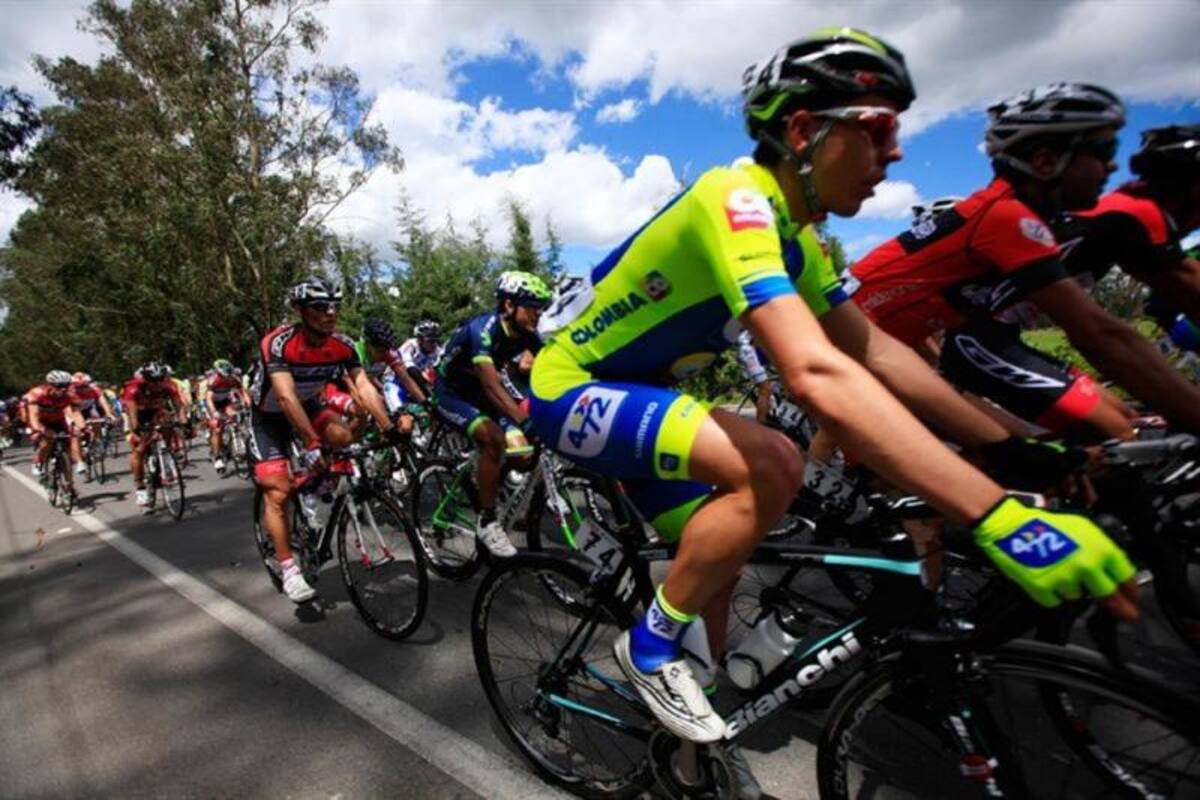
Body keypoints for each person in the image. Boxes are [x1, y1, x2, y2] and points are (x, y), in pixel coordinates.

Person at [527, 29, 1138, 750]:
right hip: (573, 385)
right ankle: (649, 647)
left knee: (717, 558)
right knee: (774, 461)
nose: (895, 152)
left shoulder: (800, 242)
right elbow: (815, 369)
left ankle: (684, 745)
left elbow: (876, 351)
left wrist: (1007, 451)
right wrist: (996, 513)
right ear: (802, 131)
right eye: (878, 129)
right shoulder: (736, 197)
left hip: (640, 390)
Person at [851, 85, 1200, 437]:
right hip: (890, 347)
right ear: (1045, 162)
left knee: (1119, 425)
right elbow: (1098, 333)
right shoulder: (1009, 219)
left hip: (907, 345)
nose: (1113, 165)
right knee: (1115, 434)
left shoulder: (1022, 216)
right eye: (1103, 151)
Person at [249, 277, 403, 603]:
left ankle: (315, 485)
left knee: (343, 436)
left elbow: (364, 387)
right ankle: (289, 569)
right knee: (278, 490)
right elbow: (285, 396)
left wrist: (389, 426)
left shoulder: (342, 345)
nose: (330, 313)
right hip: (270, 415)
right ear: (300, 310)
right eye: (320, 307)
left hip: (307, 404)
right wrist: (311, 442)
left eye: (335, 306)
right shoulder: (278, 343)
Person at [432, 271, 549, 557]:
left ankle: (489, 483)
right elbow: (491, 384)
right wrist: (524, 421)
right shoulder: (482, 330)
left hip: (480, 395)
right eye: (533, 306)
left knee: (523, 455)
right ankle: (487, 520)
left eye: (541, 307)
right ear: (509, 305)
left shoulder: (527, 335)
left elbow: (553, 367)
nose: (539, 313)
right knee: (493, 438)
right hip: (451, 393)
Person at [123, 361, 189, 506]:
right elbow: (132, 415)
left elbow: (179, 406)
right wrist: (137, 430)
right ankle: (140, 487)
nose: (158, 384)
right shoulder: (133, 389)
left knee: (167, 420)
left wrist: (185, 423)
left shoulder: (168, 386)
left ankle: (166, 453)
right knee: (139, 449)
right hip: (137, 413)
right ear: (146, 379)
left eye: (160, 380)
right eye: (153, 381)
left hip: (156, 411)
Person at [27, 370, 86, 480]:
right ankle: (38, 462)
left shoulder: (69, 395)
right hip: (41, 421)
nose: (63, 389)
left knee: (74, 434)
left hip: (58, 420)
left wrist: (82, 427)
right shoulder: (37, 394)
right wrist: (38, 430)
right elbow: (33, 415)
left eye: (66, 386)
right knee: (48, 440)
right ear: (49, 385)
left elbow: (76, 413)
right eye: (59, 386)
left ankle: (75, 469)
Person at [203, 359, 250, 472]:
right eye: (225, 375)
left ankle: (236, 438)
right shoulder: (213, 380)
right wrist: (214, 412)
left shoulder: (233, 378)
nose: (227, 378)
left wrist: (247, 403)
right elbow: (209, 399)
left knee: (233, 416)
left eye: (229, 374)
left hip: (225, 401)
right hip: (213, 403)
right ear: (218, 373)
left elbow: (242, 391)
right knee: (216, 428)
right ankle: (217, 457)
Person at [399, 320, 443, 403]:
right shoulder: (411, 345)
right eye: (431, 341)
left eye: (436, 340)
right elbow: (411, 371)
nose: (434, 344)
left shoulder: (437, 350)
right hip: (396, 382)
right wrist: (427, 392)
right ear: (420, 339)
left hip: (415, 383)